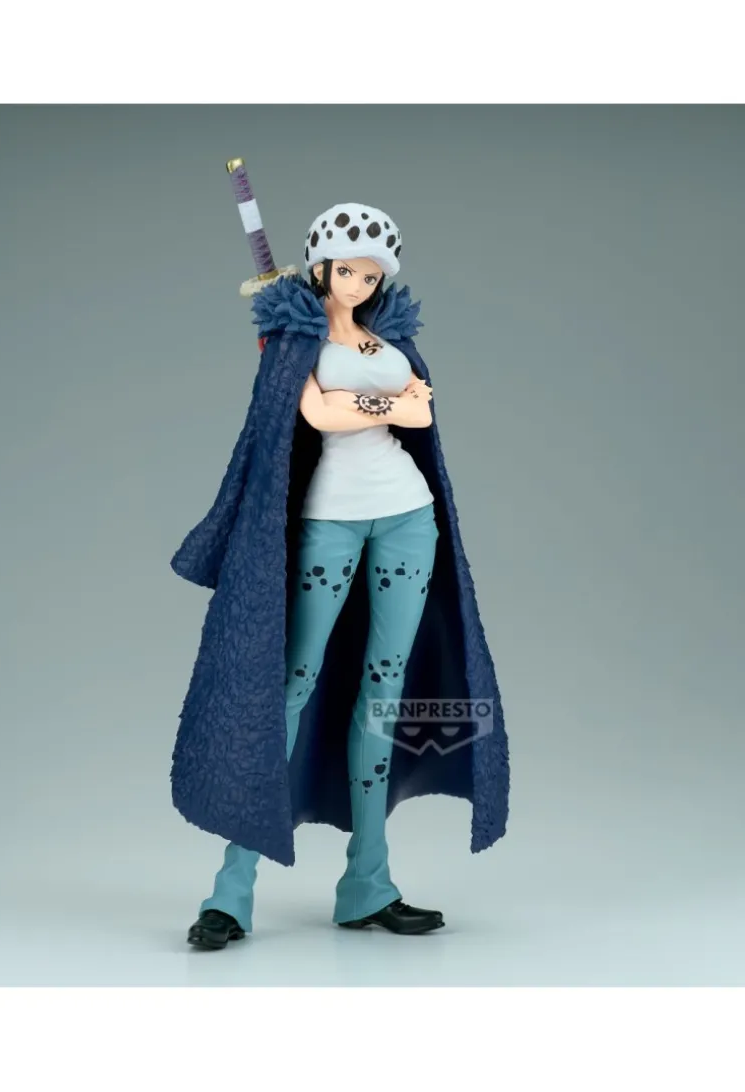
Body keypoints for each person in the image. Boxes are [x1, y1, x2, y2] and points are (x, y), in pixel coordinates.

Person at [170, 203, 509, 950]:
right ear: (320, 266)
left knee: (383, 695)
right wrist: (385, 403)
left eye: (372, 274)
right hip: (329, 521)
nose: (358, 283)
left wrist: (364, 403)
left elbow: (420, 416)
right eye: (347, 269)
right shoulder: (292, 341)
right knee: (288, 686)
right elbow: (320, 418)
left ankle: (368, 885)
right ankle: (231, 893)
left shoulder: (392, 341)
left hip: (408, 518)